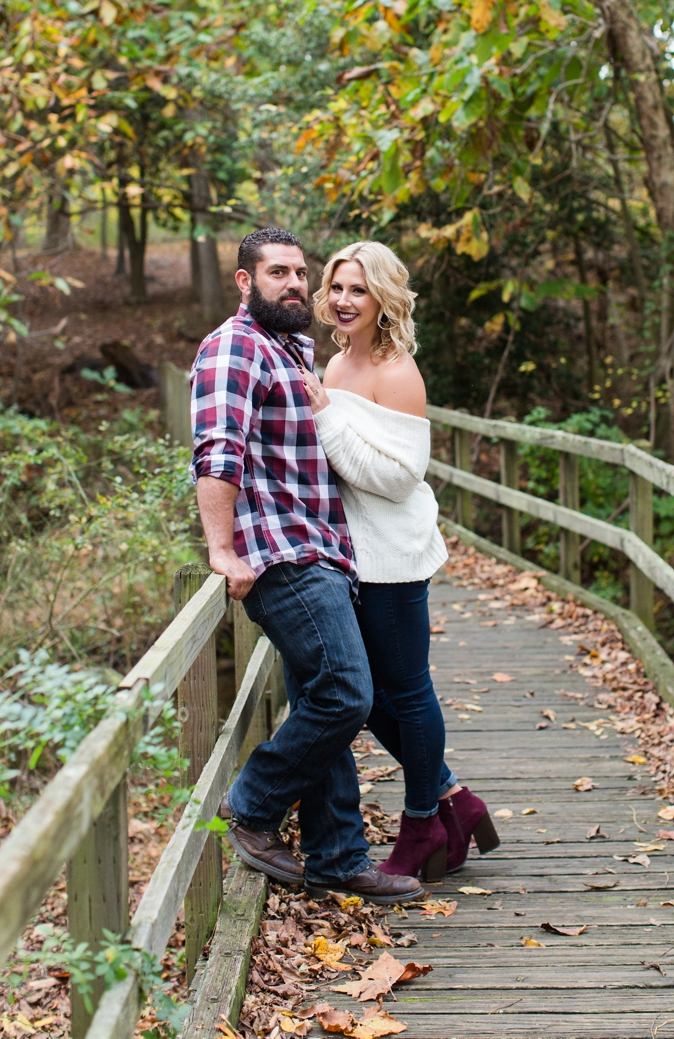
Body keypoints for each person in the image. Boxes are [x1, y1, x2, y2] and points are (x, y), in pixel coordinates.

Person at [194, 228, 425, 906]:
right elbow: (217, 450)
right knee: (346, 695)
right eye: (277, 274)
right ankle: (255, 803)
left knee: (317, 696)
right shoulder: (232, 347)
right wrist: (221, 548)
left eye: (301, 274)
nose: (295, 284)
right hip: (282, 555)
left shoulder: (292, 348)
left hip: (325, 549)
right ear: (245, 281)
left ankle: (337, 857)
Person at [300, 241, 499, 882]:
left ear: (383, 296)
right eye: (335, 287)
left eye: (358, 289)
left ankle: (422, 826)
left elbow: (398, 477)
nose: (343, 300)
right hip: (350, 553)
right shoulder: (334, 364)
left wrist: (326, 417)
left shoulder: (396, 370)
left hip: (394, 555)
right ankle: (453, 802)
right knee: (364, 695)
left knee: (406, 693)